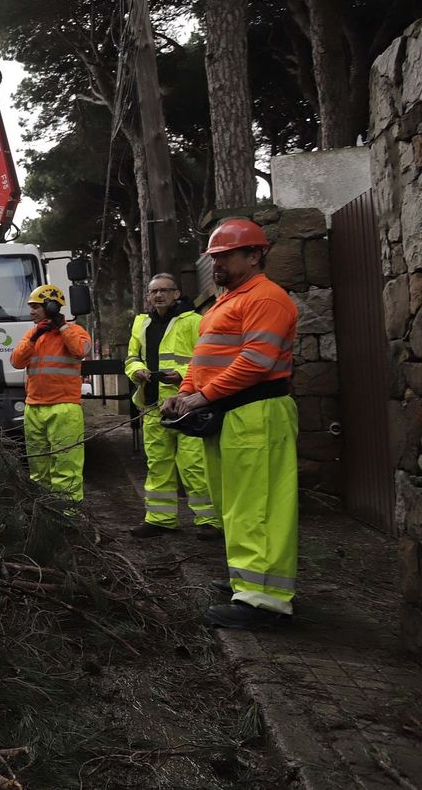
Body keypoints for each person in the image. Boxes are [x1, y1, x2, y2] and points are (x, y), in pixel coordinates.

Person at [162, 218, 299, 630]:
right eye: (214, 257)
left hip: (255, 412)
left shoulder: (267, 299)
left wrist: (200, 396)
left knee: (258, 506)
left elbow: (256, 363)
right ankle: (247, 583)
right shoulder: (227, 301)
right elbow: (203, 359)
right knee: (236, 506)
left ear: (254, 255)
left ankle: (265, 604)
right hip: (232, 414)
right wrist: (184, 392)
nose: (216, 264)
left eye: (225, 257)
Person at [124, 274, 220, 540]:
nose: (158, 296)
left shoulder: (194, 322)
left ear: (177, 294)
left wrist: (179, 374)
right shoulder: (141, 323)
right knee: (158, 464)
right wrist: (137, 371)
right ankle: (160, 518)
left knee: (194, 465)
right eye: (153, 291)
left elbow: (207, 359)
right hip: (153, 404)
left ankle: (210, 520)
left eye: (164, 290)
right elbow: (131, 357)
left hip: (187, 403)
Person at [10, 284, 92, 501]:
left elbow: (80, 351)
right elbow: (16, 361)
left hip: (64, 408)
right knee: (39, 468)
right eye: (31, 306)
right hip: (34, 408)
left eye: (36, 306)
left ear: (52, 306)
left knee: (66, 466)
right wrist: (35, 337)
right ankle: (46, 513)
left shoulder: (75, 331)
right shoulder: (33, 334)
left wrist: (62, 328)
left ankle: (70, 516)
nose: (31, 311)